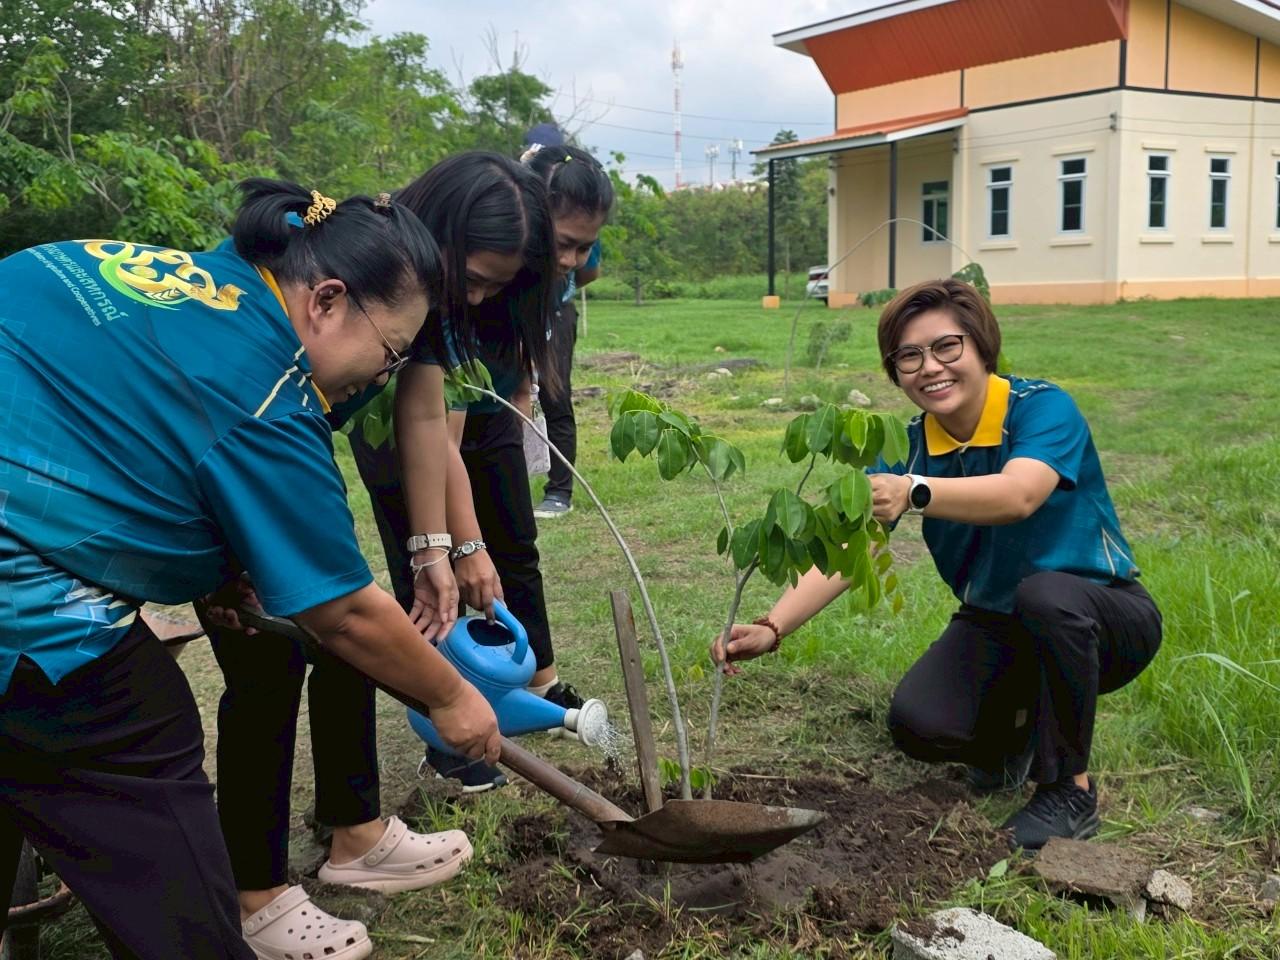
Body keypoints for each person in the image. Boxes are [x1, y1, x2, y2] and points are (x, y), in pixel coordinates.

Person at [0, 179, 500, 960]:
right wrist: (453, 697)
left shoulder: (180, 279)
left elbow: (125, 425)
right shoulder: (269, 389)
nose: (379, 377)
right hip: (19, 607)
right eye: (391, 352)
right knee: (130, 734)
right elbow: (343, 609)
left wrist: (212, 572)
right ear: (328, 300)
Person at [713, 278, 1162, 852]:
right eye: (909, 356)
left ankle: (1069, 792)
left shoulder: (1041, 407)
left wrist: (916, 491)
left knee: (1048, 596)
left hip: (1102, 616)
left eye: (947, 347)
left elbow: (1018, 495)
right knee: (920, 721)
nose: (930, 367)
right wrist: (774, 626)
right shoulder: (908, 445)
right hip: (1000, 621)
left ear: (981, 347)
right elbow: (855, 550)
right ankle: (1014, 741)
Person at [348, 150, 601, 791]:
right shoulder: (378, 277)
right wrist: (446, 548)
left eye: (497, 286)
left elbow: (437, 425)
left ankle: (500, 696)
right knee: (396, 603)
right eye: (476, 280)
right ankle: (447, 725)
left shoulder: (447, 306)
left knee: (500, 554)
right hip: (363, 430)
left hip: (456, 415)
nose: (482, 297)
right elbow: (428, 435)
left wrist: (460, 546)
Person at [520, 128, 608, 520]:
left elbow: (590, 270)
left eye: (580, 247)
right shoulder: (524, 202)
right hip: (525, 308)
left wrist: (561, 284)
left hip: (557, 311)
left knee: (555, 396)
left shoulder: (584, 209)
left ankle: (560, 490)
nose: (572, 256)